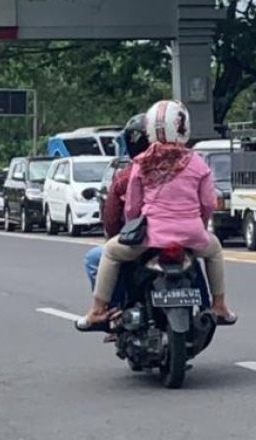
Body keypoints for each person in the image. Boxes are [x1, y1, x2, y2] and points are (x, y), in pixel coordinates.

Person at [76, 99, 236, 331]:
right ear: (184, 128)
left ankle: (98, 310)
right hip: (191, 236)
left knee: (110, 252)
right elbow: (208, 204)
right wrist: (197, 227)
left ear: (150, 129)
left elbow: (132, 207)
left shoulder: (141, 164)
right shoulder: (198, 163)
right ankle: (219, 305)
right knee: (215, 250)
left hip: (151, 237)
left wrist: (136, 224)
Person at [81, 113, 149, 308]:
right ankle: (212, 305)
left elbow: (115, 218)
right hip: (183, 236)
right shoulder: (182, 169)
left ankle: (110, 309)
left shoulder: (129, 175)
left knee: (96, 258)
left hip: (142, 240)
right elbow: (205, 205)